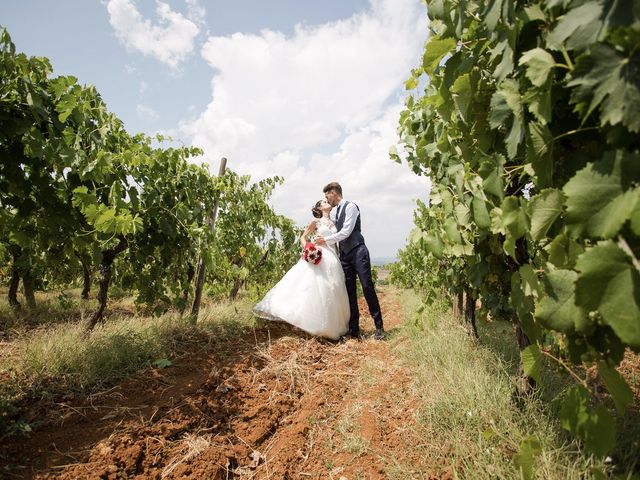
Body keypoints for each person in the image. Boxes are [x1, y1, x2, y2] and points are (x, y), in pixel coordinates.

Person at [252, 200, 350, 340]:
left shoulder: (335, 222)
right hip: (319, 255)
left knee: (333, 288)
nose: (327, 202)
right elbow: (303, 237)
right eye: (324, 201)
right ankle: (310, 323)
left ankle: (331, 325)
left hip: (333, 257)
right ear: (319, 208)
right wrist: (309, 248)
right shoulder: (316, 222)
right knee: (315, 287)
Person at [316, 182, 384, 340]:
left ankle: (379, 326)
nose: (327, 199)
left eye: (327, 196)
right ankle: (354, 329)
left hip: (358, 252)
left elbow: (346, 232)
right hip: (345, 256)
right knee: (350, 291)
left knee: (367, 286)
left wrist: (325, 240)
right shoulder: (337, 212)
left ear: (334, 193)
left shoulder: (351, 207)